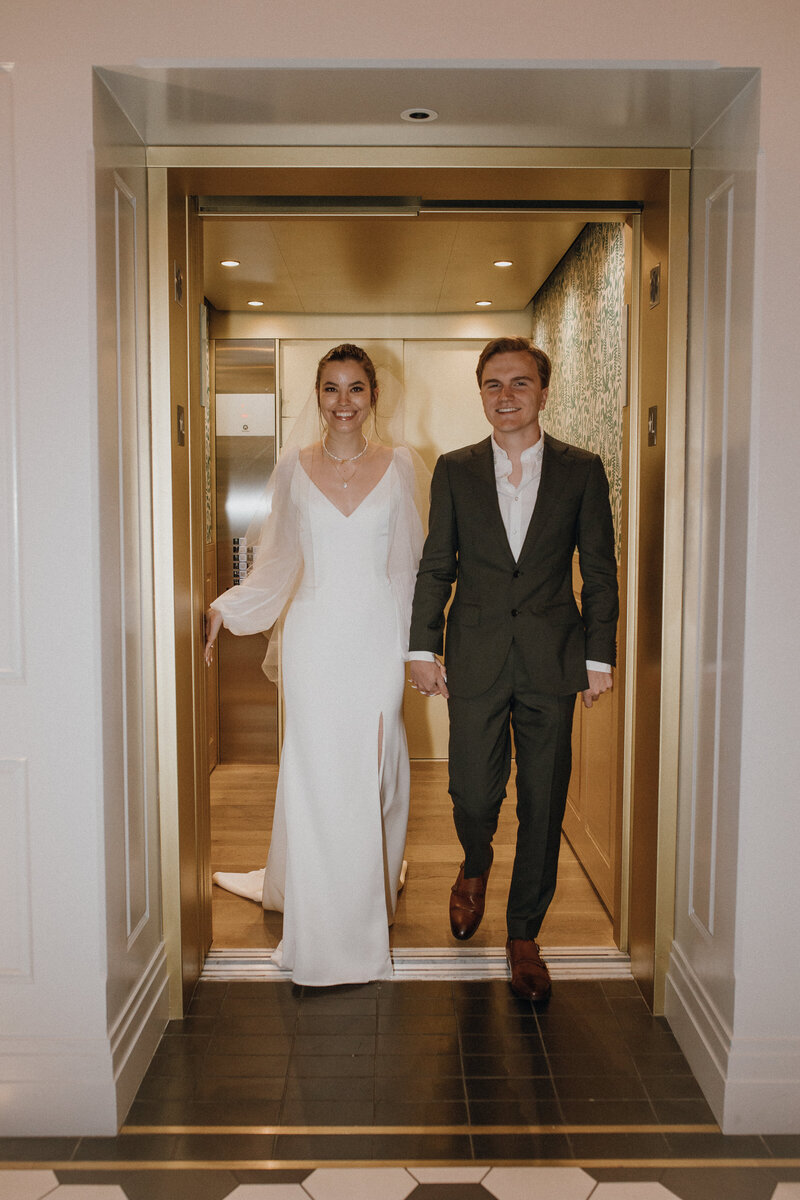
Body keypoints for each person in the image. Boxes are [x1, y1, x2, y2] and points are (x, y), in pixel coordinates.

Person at [205, 344, 426, 987]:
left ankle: (367, 895)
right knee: (315, 772)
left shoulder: (403, 466)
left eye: (356, 388)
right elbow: (277, 562)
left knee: (373, 766)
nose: (343, 402)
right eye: (331, 389)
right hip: (314, 639)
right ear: (318, 396)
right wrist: (228, 606)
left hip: (378, 639)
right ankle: (323, 919)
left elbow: (410, 568)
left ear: (374, 396)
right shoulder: (293, 468)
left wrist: (419, 650)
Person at [408, 336, 618, 1002]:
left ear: (543, 392)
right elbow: (437, 563)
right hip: (475, 656)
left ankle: (524, 932)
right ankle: (474, 865)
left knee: (543, 801)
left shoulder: (583, 470)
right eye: (493, 384)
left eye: (519, 383)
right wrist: (422, 647)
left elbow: (601, 572)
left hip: (555, 660)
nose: (506, 396)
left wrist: (598, 655)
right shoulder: (456, 470)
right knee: (473, 791)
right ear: (481, 394)